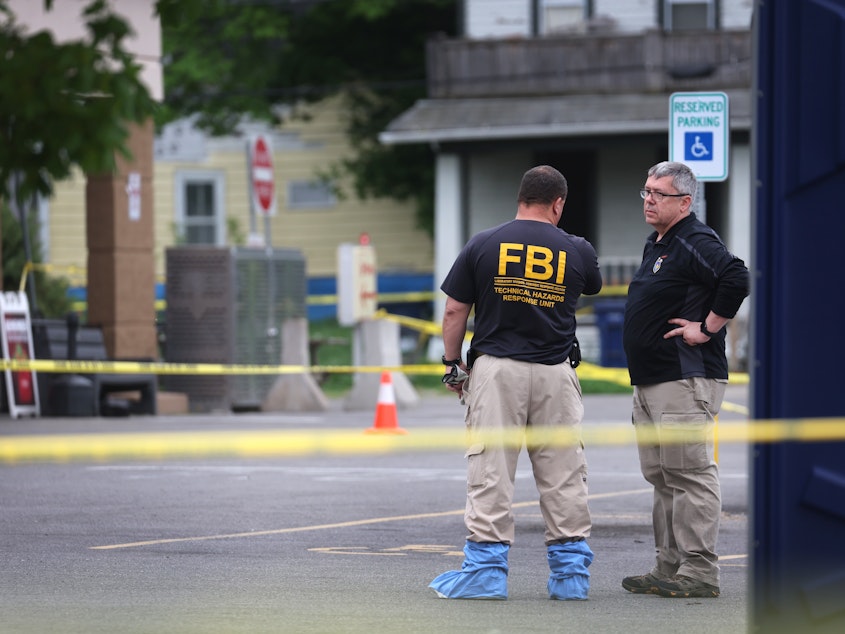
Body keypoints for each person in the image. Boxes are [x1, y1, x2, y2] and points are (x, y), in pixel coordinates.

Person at [429, 165, 603, 601]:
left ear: (520, 198)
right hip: (555, 374)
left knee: (491, 469)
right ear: (558, 203)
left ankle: (486, 573)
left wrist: (452, 365)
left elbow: (454, 312)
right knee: (563, 471)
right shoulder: (577, 249)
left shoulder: (484, 244)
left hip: (497, 371)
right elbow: (593, 287)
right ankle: (570, 578)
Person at [621, 161, 750, 599]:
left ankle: (699, 572)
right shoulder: (659, 242)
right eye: (646, 191)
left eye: (659, 193)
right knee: (662, 475)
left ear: (685, 202)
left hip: (684, 377)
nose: (649, 199)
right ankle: (669, 566)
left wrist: (708, 327)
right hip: (653, 378)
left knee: (689, 473)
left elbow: (737, 276)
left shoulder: (695, 238)